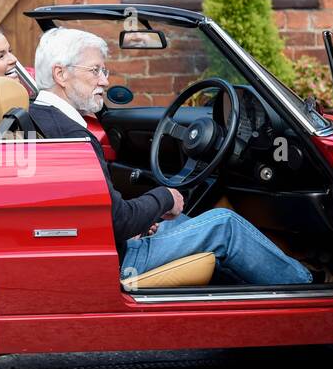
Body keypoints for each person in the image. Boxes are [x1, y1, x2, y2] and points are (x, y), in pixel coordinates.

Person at [26, 26, 313, 287]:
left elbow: (105, 214)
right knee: (225, 223)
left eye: (105, 72)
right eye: (95, 71)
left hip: (104, 245)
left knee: (179, 222)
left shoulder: (40, 118)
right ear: (60, 74)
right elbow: (118, 221)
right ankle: (307, 289)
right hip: (119, 260)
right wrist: (164, 197)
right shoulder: (74, 136)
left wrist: (144, 215)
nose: (103, 81)